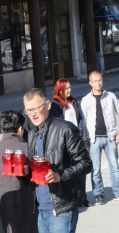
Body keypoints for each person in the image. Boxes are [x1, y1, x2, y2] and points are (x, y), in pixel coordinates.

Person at [23, 88, 92, 233]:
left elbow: (86, 163)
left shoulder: (65, 129)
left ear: (47, 105)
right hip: (41, 207)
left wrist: (60, 175)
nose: (32, 114)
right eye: (28, 110)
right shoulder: (32, 132)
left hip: (61, 205)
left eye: (35, 108)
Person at [81, 71, 119, 205]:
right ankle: (99, 195)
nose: (98, 83)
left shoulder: (110, 97)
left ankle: (118, 193)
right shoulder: (86, 100)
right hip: (94, 140)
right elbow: (83, 123)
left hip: (110, 138)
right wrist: (85, 141)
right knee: (95, 169)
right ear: (90, 83)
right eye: (95, 81)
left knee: (115, 167)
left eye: (100, 80)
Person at [50, 78, 92, 207]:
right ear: (60, 89)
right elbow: (57, 123)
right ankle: (72, 198)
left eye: (70, 88)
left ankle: (83, 197)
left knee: (81, 170)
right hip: (65, 143)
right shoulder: (56, 105)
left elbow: (80, 120)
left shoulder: (73, 102)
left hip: (77, 140)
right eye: (66, 88)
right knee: (69, 171)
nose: (69, 90)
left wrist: (83, 139)